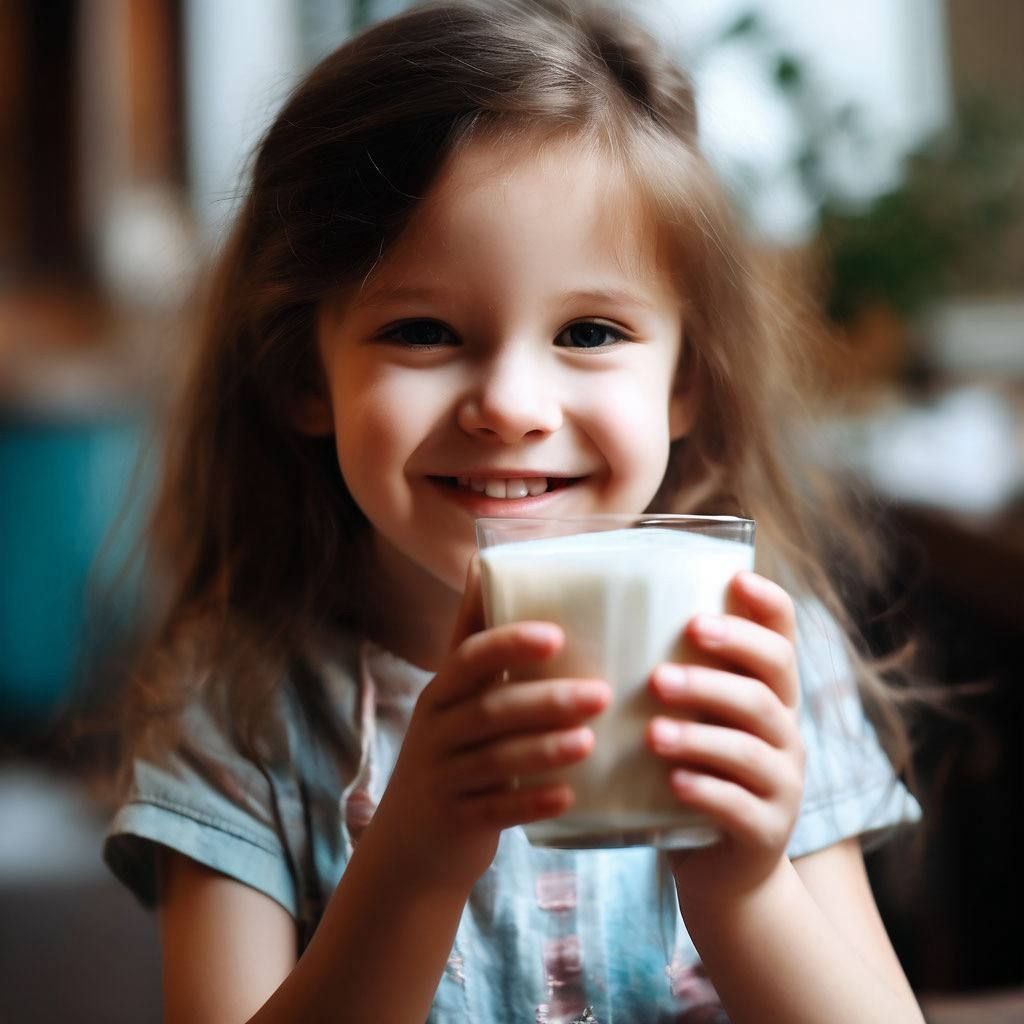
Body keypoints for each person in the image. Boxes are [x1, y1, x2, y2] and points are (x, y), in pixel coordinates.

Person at [103, 1, 926, 1021]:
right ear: (301, 373)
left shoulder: (755, 657)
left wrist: (744, 891)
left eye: (587, 329)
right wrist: (410, 864)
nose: (510, 407)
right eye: (422, 329)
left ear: (684, 381)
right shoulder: (241, 703)